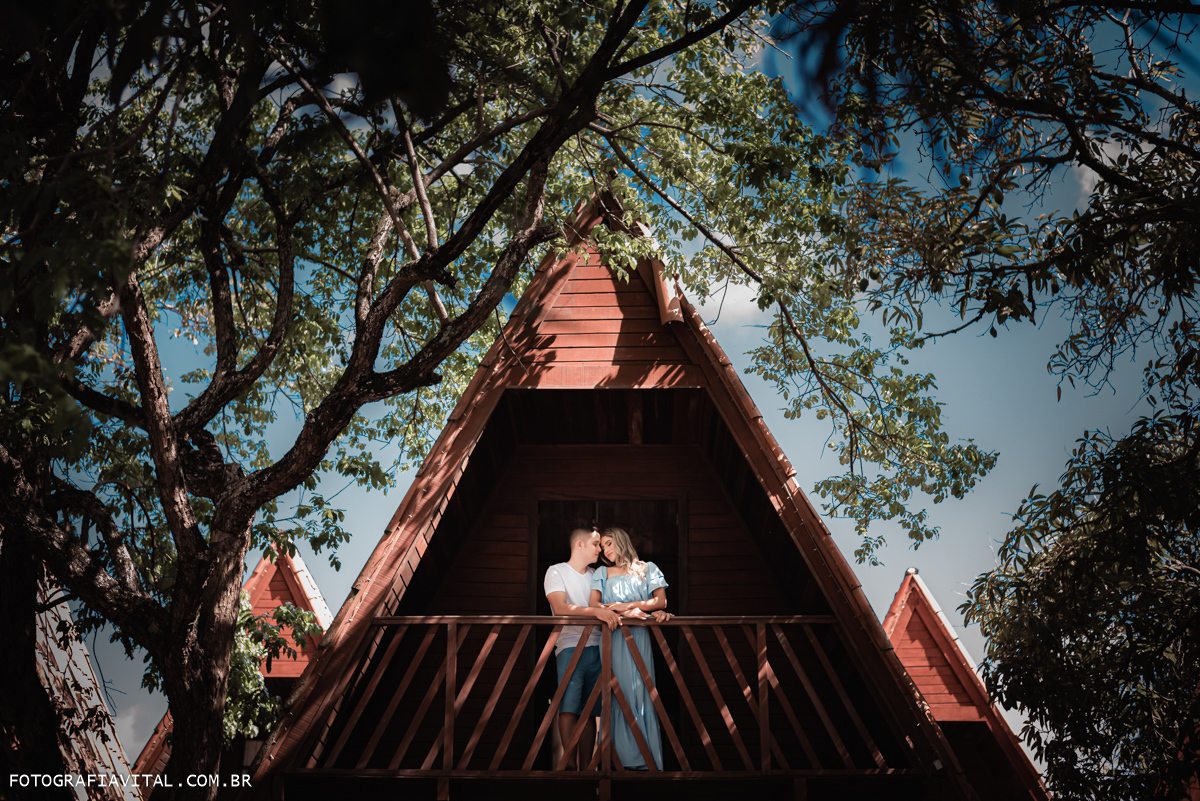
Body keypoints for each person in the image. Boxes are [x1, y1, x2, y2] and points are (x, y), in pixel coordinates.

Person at [589, 526, 671, 770]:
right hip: (613, 636)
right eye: (603, 546)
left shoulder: (648, 568)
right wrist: (624, 610)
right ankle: (618, 761)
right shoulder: (602, 572)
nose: (606, 550)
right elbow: (595, 604)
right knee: (617, 691)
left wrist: (630, 607)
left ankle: (646, 760)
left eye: (609, 543)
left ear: (621, 541)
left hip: (640, 637)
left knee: (641, 689)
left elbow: (660, 601)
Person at [544, 527, 622, 769]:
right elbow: (560, 608)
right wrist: (596, 612)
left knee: (591, 709)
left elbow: (613, 605)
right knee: (569, 706)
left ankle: (586, 768)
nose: (600, 549)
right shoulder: (556, 571)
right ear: (579, 545)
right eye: (596, 544)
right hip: (569, 646)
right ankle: (568, 764)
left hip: (599, 647)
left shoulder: (597, 575)